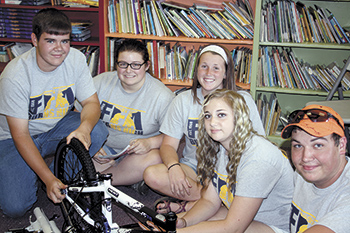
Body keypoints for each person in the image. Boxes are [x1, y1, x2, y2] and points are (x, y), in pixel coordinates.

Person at [0, 8, 108, 218]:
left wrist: (84, 129)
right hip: (14, 138)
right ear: (34, 39)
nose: (59, 49)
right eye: (50, 41)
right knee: (16, 208)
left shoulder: (75, 59)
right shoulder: (14, 76)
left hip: (55, 126)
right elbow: (20, 134)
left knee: (98, 130)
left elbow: (92, 103)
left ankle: (61, 176)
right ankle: (42, 175)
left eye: (65, 41)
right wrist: (47, 178)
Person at [144, 44, 266, 213]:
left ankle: (192, 205)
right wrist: (174, 168)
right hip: (194, 169)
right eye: (204, 66)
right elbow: (168, 145)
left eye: (216, 68)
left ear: (225, 73)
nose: (209, 73)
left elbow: (258, 145)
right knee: (152, 174)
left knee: (251, 183)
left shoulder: (242, 100)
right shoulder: (183, 100)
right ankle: (215, 203)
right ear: (197, 70)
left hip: (230, 171)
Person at [174, 89, 293, 232]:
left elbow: (233, 229)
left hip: (274, 227)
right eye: (207, 116)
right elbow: (210, 201)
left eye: (221, 115)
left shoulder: (258, 158)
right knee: (201, 220)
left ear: (238, 117)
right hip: (246, 218)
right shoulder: (220, 146)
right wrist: (184, 223)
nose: (212, 122)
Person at [75, 39, 174, 187]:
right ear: (116, 65)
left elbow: (173, 135)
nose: (128, 70)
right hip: (103, 151)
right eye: (123, 64)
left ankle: (98, 182)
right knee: (73, 154)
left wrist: (149, 143)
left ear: (146, 66)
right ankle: (122, 179)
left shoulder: (162, 96)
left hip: (139, 154)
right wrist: (93, 145)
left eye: (135, 65)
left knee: (156, 157)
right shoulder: (101, 81)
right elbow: (76, 113)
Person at [281, 104, 350, 233]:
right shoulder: (304, 172)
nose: (305, 157)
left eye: (318, 145)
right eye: (298, 145)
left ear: (341, 145)